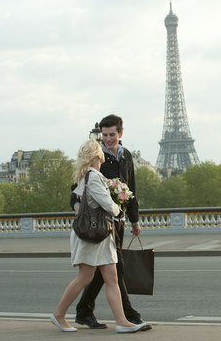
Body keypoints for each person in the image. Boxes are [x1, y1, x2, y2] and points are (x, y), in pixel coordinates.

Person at [51, 139, 147, 333]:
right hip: (93, 235)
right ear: (97, 156)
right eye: (100, 150)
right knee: (84, 278)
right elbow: (107, 204)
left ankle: (122, 321)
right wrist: (120, 210)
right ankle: (59, 315)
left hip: (98, 235)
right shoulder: (93, 177)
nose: (104, 152)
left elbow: (78, 201)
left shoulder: (85, 176)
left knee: (110, 277)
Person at [70, 114, 151, 331]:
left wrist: (134, 220)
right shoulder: (97, 157)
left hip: (119, 219)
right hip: (102, 221)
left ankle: (84, 310)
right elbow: (77, 186)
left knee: (104, 269)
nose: (107, 139)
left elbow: (130, 189)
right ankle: (129, 316)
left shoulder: (126, 156)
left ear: (120, 134)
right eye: (104, 135)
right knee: (116, 268)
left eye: (112, 135)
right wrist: (75, 205)